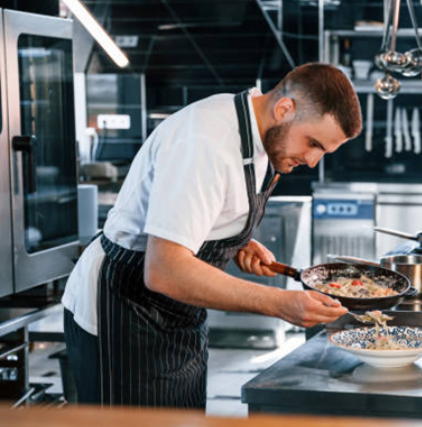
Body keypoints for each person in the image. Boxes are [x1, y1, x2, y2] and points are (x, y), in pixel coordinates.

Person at [61, 63, 362, 409]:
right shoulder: (206, 141)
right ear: (284, 109)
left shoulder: (261, 137)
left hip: (176, 316)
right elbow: (164, 270)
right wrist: (281, 303)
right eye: (313, 143)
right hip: (124, 308)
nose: (312, 160)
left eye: (323, 152)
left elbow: (197, 210)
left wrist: (234, 240)